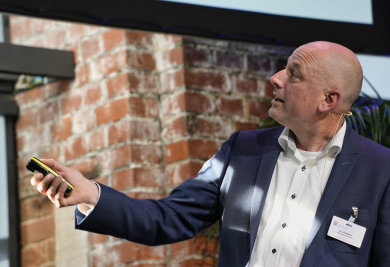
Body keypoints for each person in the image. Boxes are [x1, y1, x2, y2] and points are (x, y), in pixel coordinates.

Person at [31, 41, 390, 266]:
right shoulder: (242, 152)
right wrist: (92, 194)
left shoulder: (381, 170)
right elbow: (169, 218)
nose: (276, 79)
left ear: (329, 101)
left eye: (294, 75)